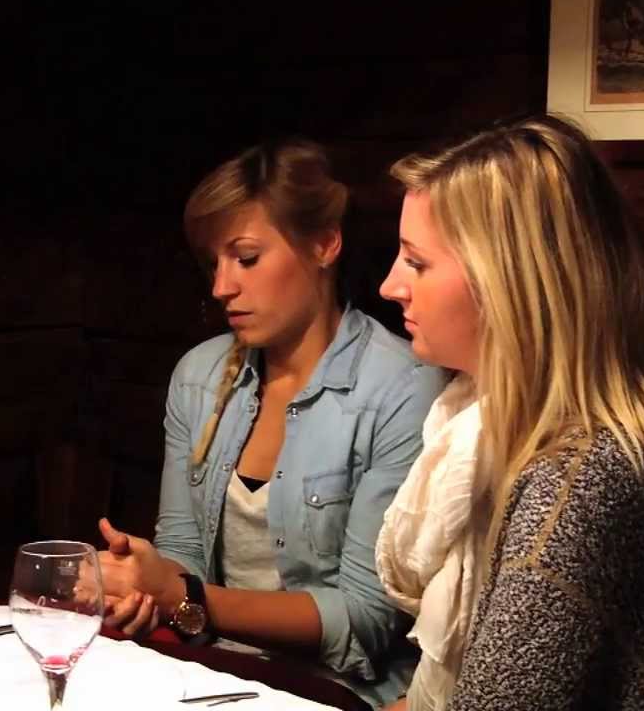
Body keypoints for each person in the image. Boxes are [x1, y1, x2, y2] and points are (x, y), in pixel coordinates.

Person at [375, 114, 644, 710]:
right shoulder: (498, 421)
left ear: (509, 281)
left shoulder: (582, 479)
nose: (390, 286)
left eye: (416, 262)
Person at [97, 138, 447, 708]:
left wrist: (185, 595)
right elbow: (182, 550)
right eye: (213, 263)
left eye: (246, 258)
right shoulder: (200, 376)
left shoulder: (402, 388)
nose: (221, 287)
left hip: (336, 690)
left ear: (324, 244)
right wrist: (142, 587)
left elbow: (364, 619)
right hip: (210, 672)